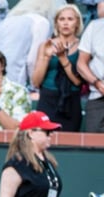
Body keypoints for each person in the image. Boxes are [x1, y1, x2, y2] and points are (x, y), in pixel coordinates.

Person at [0, 111, 62, 197]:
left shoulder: (48, 164)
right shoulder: (17, 164)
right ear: (31, 133)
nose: (50, 135)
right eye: (47, 131)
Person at [0, 0, 63, 88]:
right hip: (12, 82)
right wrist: (35, 86)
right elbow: (32, 61)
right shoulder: (41, 22)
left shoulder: (8, 20)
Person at [31, 4, 84, 132]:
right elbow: (36, 82)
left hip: (71, 100)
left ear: (77, 23)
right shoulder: (45, 45)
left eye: (70, 19)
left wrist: (62, 58)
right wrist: (46, 57)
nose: (65, 23)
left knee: (69, 140)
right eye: (62, 19)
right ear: (56, 23)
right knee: (44, 137)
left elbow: (78, 82)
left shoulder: (83, 46)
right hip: (47, 98)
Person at [77, 2, 104, 133]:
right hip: (98, 96)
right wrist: (97, 83)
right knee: (93, 142)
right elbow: (81, 64)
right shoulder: (94, 26)